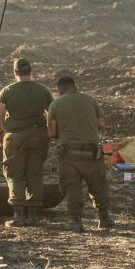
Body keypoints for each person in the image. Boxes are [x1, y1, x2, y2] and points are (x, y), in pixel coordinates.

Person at [0, 58, 52, 227]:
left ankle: (18, 216)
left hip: (15, 137)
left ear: (15, 72)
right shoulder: (42, 90)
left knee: (14, 174)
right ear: (30, 71)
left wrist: (1, 133)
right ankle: (33, 216)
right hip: (38, 136)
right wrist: (49, 130)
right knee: (34, 173)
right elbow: (52, 113)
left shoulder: (7, 91)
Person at [47, 75, 112, 232]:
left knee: (71, 187)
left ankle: (75, 221)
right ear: (75, 87)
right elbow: (102, 124)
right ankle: (104, 218)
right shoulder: (90, 100)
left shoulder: (55, 104)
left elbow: (52, 132)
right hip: (91, 152)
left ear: (59, 90)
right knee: (98, 185)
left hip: (69, 154)